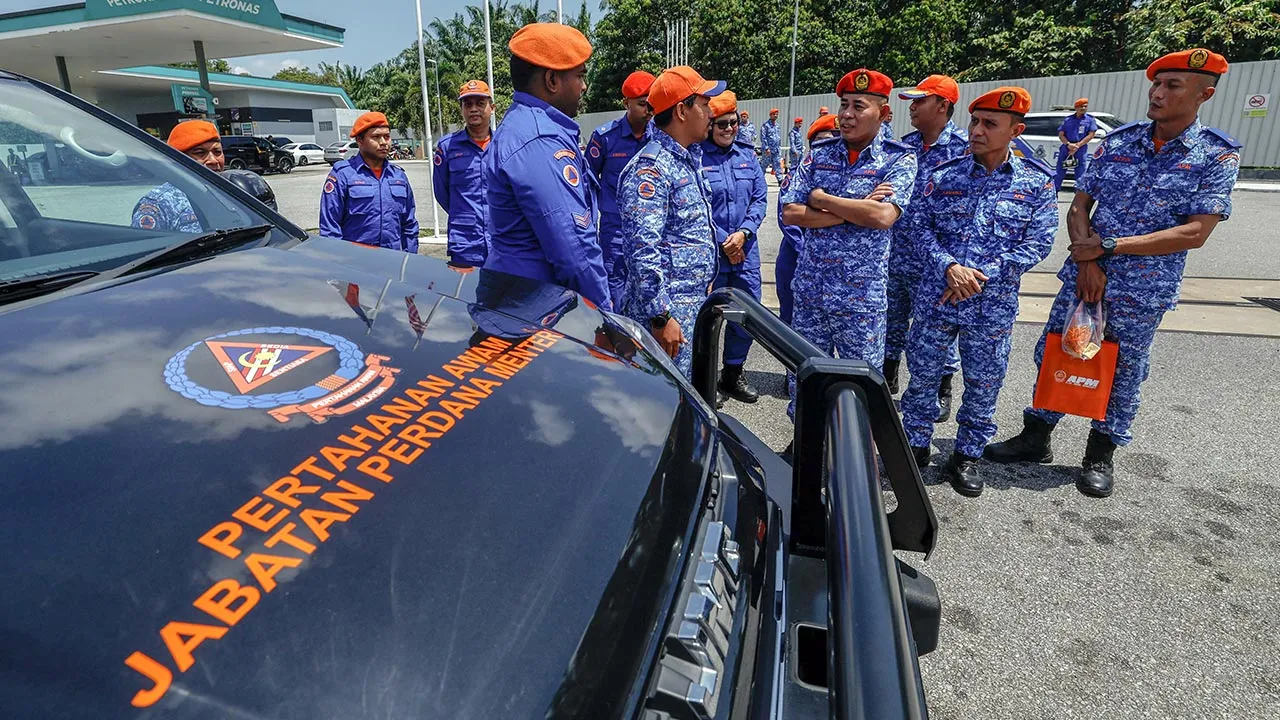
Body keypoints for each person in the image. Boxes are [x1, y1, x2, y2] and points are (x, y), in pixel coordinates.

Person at [985, 49, 1241, 498]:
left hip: (1144, 287)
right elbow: (1081, 205)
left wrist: (1108, 247)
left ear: (1205, 94)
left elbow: (1195, 231)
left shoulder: (1216, 156)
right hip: (1086, 276)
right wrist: (1088, 261)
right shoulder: (1119, 142)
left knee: (1123, 369)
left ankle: (1099, 453)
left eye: (1173, 86)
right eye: (1156, 85)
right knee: (1057, 353)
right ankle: (1036, 437)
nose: (1158, 94)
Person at [900, 87, 1058, 497]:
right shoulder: (942, 175)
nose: (977, 131)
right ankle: (914, 446)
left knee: (984, 383)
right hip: (939, 296)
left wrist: (979, 274)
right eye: (974, 122)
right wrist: (950, 267)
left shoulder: (1036, 184)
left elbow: (1038, 243)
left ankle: (966, 455)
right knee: (922, 376)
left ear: (1015, 130)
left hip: (991, 305)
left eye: (990, 124)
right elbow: (918, 228)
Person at [780, 68, 916, 427]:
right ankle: (806, 445)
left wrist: (823, 198)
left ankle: (856, 458)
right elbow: (791, 212)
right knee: (806, 377)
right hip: (811, 293)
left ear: (884, 114)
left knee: (860, 383)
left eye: (859, 106)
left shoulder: (898, 159)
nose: (847, 115)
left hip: (861, 300)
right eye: (844, 105)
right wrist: (855, 209)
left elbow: (883, 215)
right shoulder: (818, 154)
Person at [483, 22, 611, 309]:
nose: (584, 86)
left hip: (519, 300)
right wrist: (604, 316)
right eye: (579, 76)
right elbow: (574, 251)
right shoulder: (539, 139)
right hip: (531, 310)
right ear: (552, 81)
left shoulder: (523, 126)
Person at [618, 65, 725, 379]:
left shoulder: (685, 160)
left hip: (690, 308)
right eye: (704, 104)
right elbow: (641, 250)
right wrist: (661, 316)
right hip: (666, 318)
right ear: (681, 110)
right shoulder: (650, 169)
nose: (710, 111)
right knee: (662, 405)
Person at [884, 74, 969, 421]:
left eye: (920, 101)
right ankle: (887, 376)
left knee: (936, 328)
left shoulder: (966, 149)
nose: (913, 107)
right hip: (899, 252)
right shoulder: (906, 147)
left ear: (943, 106)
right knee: (892, 318)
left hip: (938, 260)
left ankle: (941, 387)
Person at [699, 89, 768, 402]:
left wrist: (743, 233)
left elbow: (759, 198)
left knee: (745, 317)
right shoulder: (695, 156)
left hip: (745, 254)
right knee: (706, 319)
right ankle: (702, 380)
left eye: (734, 122)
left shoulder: (746, 156)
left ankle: (732, 375)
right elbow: (697, 206)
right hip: (713, 255)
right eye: (722, 124)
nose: (729, 129)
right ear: (710, 125)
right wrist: (724, 240)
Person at [586, 70, 656, 306]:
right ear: (626, 103)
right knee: (615, 289)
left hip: (652, 228)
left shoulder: (659, 138)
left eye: (651, 105)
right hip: (615, 230)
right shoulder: (605, 138)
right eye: (642, 104)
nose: (648, 111)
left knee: (650, 289)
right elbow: (587, 182)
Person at [319, 111, 419, 253]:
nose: (384, 142)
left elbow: (409, 224)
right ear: (360, 140)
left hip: (393, 260)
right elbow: (330, 228)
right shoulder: (343, 174)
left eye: (387, 136)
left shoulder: (398, 176)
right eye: (376, 137)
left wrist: (410, 258)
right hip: (356, 263)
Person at [775, 114, 838, 326]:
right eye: (822, 141)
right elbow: (788, 219)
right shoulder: (797, 175)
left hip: (837, 263)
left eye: (834, 140)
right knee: (792, 323)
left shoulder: (847, 177)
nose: (828, 147)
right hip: (795, 256)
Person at [433, 80, 495, 268]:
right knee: (464, 296)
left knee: (504, 296)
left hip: (502, 242)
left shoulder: (504, 144)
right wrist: (464, 214)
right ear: (461, 109)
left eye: (480, 103)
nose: (474, 109)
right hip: (465, 242)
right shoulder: (447, 147)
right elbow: (441, 192)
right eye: (468, 104)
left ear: (492, 108)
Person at [132, 120, 224, 233]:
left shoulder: (231, 194)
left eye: (217, 152)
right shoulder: (158, 204)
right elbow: (145, 247)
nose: (213, 160)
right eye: (200, 153)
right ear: (179, 159)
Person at [1054, 97, 1098, 191]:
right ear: (1076, 108)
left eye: (1085, 106)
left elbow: (1091, 135)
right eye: (1081, 106)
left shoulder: (1090, 120)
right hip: (1067, 147)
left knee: (1080, 173)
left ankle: (1077, 194)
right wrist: (1069, 144)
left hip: (1080, 148)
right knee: (1059, 172)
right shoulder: (1068, 119)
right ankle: (1055, 192)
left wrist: (1077, 146)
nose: (1083, 108)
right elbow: (1061, 134)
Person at [761, 108, 782, 177]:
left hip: (776, 150)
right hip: (768, 150)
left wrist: (779, 148)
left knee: (777, 164)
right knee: (764, 165)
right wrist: (766, 148)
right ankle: (759, 179)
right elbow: (763, 137)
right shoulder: (766, 125)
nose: (775, 116)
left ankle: (780, 180)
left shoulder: (777, 125)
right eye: (774, 114)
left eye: (776, 114)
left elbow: (778, 137)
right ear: (770, 115)